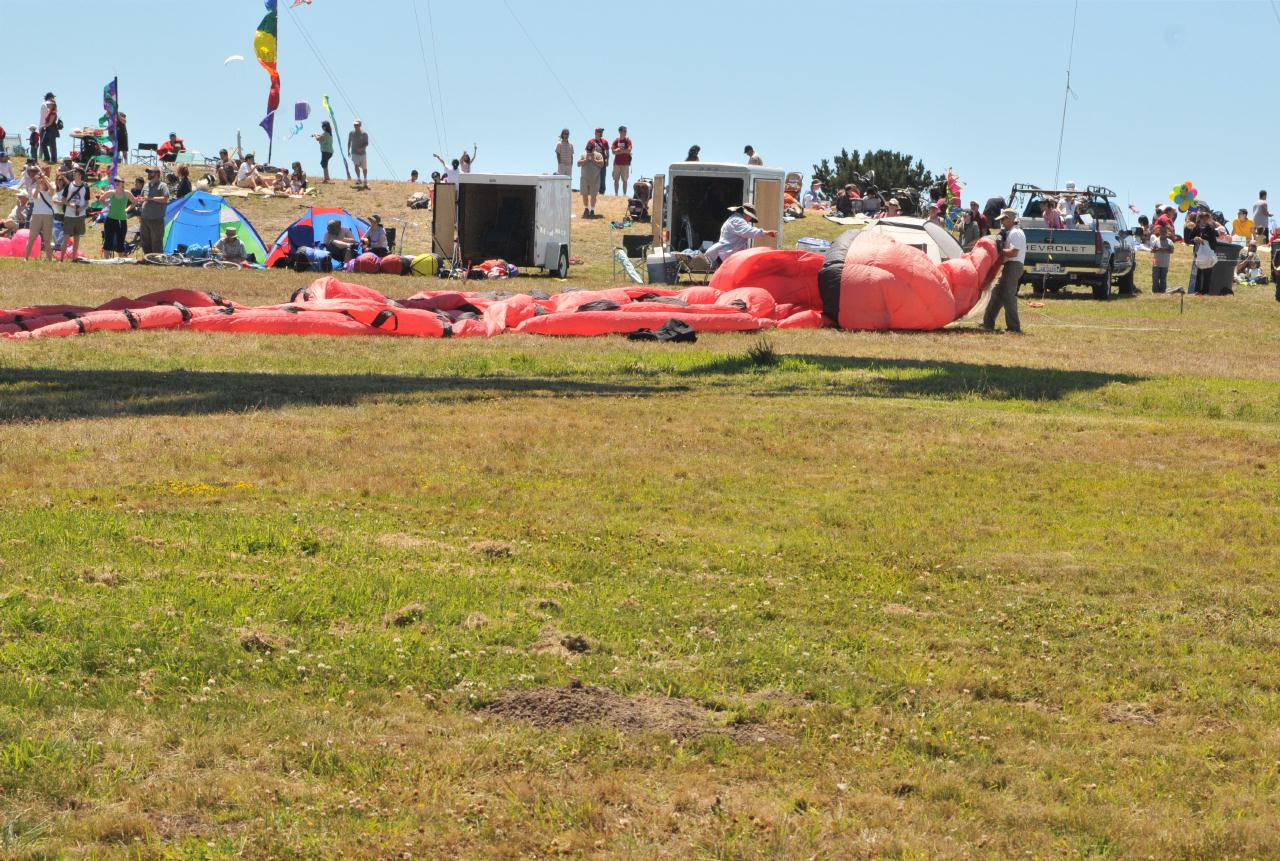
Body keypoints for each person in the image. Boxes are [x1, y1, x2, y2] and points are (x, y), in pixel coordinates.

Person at [982, 208, 1025, 334]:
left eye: (1003, 219)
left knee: (1008, 296)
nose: (1001, 222)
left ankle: (1014, 327)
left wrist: (999, 249)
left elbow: (1013, 252)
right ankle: (987, 323)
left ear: (1010, 219)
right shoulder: (1012, 232)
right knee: (996, 294)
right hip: (1009, 266)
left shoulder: (1016, 233)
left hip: (1013, 265)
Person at [704, 203, 777, 267]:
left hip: (727, 255)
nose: (750, 218)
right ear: (746, 213)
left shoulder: (735, 219)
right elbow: (748, 231)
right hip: (726, 255)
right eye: (750, 216)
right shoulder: (737, 220)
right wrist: (765, 232)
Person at [57, 167, 90, 261]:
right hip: (69, 215)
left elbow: (87, 202)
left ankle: (74, 258)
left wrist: (82, 208)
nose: (74, 174)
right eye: (74, 172)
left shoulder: (85, 186)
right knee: (66, 237)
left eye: (75, 172)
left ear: (80, 175)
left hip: (80, 215)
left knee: (77, 237)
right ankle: (61, 259)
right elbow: (63, 200)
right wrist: (70, 205)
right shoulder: (69, 185)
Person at [25, 168, 55, 261]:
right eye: (42, 181)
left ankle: (49, 259)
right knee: (32, 237)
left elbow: (52, 188)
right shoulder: (35, 189)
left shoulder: (50, 192)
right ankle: (26, 258)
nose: (43, 182)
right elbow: (35, 196)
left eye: (44, 181)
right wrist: (38, 183)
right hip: (37, 215)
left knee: (47, 239)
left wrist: (44, 178)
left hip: (47, 216)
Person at [99, 176, 133, 259]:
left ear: (123, 183)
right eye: (115, 181)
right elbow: (101, 199)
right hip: (110, 220)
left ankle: (120, 261)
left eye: (119, 181)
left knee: (120, 243)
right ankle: (107, 261)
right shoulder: (111, 192)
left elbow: (134, 202)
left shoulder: (127, 193)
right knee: (108, 242)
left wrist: (126, 210)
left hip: (122, 221)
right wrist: (108, 206)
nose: (117, 182)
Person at [139, 166, 170, 254]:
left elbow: (166, 199)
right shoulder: (145, 186)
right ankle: (147, 259)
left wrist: (151, 198)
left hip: (156, 219)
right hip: (144, 218)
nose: (148, 174)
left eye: (150, 172)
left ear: (157, 174)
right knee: (145, 241)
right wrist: (140, 200)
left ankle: (157, 261)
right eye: (148, 172)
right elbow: (142, 198)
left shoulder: (162, 185)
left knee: (156, 242)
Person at [1191, 208, 1219, 296]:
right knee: (1198, 273)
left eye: (1206, 218)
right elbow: (1189, 239)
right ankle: (1197, 290)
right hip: (1197, 252)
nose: (1204, 220)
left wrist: (1204, 240)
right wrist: (1195, 239)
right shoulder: (1196, 228)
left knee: (1207, 273)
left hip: (1207, 254)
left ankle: (1205, 291)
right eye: (1202, 218)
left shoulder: (1210, 229)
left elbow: (1214, 242)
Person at [578, 142, 604, 219]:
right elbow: (578, 163)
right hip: (584, 179)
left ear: (594, 149)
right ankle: (586, 208)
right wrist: (586, 159)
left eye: (590, 150)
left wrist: (593, 160)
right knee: (584, 194)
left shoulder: (599, 155)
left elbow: (602, 164)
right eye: (587, 150)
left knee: (593, 195)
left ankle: (592, 210)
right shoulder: (583, 154)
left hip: (595, 179)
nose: (588, 152)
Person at [1150, 222, 1174, 294]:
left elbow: (1172, 251)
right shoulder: (1155, 240)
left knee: (1163, 279)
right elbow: (1152, 250)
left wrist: (1164, 250)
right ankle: (1155, 291)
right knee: (1155, 278)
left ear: (1166, 232)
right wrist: (1158, 250)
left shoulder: (1170, 242)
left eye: (1164, 231)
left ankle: (1162, 291)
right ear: (1159, 232)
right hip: (1155, 262)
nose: (1163, 233)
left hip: (1165, 263)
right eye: (1161, 231)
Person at [587, 128, 609, 196]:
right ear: (595, 133)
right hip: (593, 163)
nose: (601, 133)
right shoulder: (591, 141)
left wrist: (607, 160)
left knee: (602, 178)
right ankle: (592, 192)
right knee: (593, 178)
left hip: (602, 163)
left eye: (601, 132)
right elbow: (588, 152)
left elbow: (607, 152)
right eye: (599, 132)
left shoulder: (605, 141)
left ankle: (602, 193)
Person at [611, 126, 633, 196]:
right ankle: (616, 194)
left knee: (625, 180)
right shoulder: (616, 141)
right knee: (616, 180)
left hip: (625, 164)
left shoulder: (628, 141)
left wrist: (619, 151)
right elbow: (613, 151)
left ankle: (624, 194)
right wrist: (623, 151)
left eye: (626, 131)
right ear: (620, 132)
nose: (625, 132)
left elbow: (629, 150)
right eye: (624, 131)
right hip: (616, 163)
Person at [348, 120, 369, 188]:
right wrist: (348, 150)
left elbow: (366, 143)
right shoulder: (351, 133)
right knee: (356, 165)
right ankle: (359, 178)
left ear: (360, 125)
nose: (355, 126)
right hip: (354, 152)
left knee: (364, 168)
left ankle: (365, 179)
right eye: (354, 125)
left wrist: (362, 148)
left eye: (357, 125)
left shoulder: (364, 133)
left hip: (362, 153)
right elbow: (349, 141)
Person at [39, 92, 59, 163]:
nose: (47, 105)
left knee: (52, 145)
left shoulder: (53, 112)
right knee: (43, 144)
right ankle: (47, 158)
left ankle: (53, 160)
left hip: (51, 129)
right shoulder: (49, 111)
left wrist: (44, 125)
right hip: (48, 129)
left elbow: (50, 122)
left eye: (49, 104)